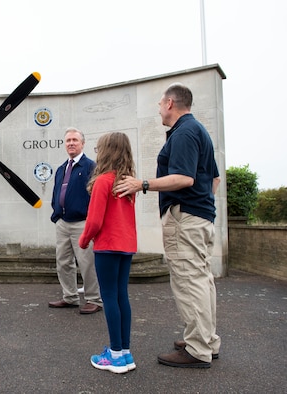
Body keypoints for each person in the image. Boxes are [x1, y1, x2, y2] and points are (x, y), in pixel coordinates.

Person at [115, 83, 221, 368]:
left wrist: (143, 184)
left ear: (171, 103)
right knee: (202, 279)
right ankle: (206, 340)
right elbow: (214, 179)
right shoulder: (198, 131)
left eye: (160, 104)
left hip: (185, 216)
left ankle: (198, 349)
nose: (159, 109)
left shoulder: (184, 133)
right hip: (200, 215)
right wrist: (203, 205)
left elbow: (184, 178)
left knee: (188, 280)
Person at [79, 132, 137, 374]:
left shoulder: (103, 181)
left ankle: (114, 356)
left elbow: (94, 221)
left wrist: (83, 241)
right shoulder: (128, 181)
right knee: (121, 296)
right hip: (126, 245)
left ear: (106, 151)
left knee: (109, 297)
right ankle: (124, 352)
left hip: (107, 246)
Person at [49, 127, 102, 314]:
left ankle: (94, 299)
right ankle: (69, 297)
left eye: (75, 140)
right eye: (68, 140)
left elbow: (96, 195)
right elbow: (57, 192)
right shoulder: (61, 169)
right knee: (63, 262)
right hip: (63, 222)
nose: (71, 143)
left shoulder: (90, 167)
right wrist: (56, 213)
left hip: (82, 223)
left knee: (87, 263)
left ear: (82, 143)